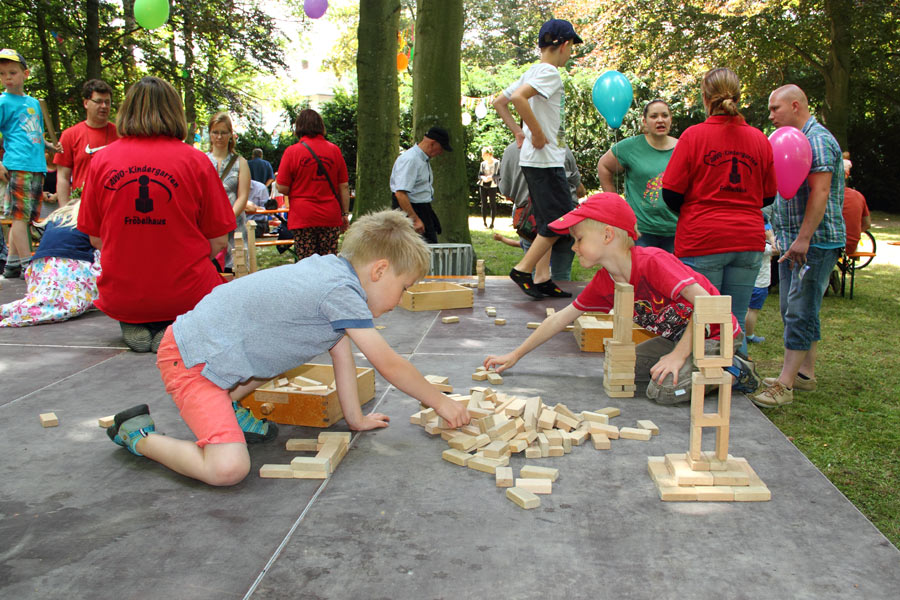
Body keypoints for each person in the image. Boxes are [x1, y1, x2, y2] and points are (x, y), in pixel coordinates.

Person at [102, 210, 470, 487]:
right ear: (379, 271)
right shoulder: (341, 293)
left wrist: (355, 420)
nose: (401, 299)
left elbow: (341, 353)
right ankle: (139, 436)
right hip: (192, 361)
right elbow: (389, 364)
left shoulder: (333, 274)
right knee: (229, 468)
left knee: (287, 345)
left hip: (212, 350)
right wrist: (441, 401)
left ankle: (228, 406)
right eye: (404, 287)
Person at [483, 193, 760, 405]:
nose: (574, 246)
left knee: (663, 391)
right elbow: (559, 320)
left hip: (715, 334)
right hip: (680, 338)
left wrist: (678, 356)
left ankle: (733, 368)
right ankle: (688, 363)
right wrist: (515, 355)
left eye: (578, 238)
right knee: (624, 370)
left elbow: (707, 305)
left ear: (607, 235)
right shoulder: (605, 281)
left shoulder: (654, 263)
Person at [77, 76, 235, 353]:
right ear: (175, 111)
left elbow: (95, 237)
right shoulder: (196, 162)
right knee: (213, 295)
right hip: (185, 291)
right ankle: (172, 325)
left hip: (123, 292)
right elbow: (219, 241)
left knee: (134, 296)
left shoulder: (101, 161)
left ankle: (135, 319)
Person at [662, 67, 776, 358]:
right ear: (738, 96)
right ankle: (736, 382)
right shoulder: (759, 140)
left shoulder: (693, 136)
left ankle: (697, 383)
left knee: (699, 318)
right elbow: (768, 195)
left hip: (703, 237)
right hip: (747, 239)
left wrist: (695, 210)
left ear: (704, 96)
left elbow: (671, 193)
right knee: (734, 319)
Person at [751, 84, 846, 408]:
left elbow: (819, 193)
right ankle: (805, 373)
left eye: (775, 108)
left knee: (798, 309)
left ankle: (786, 384)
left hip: (814, 242)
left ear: (795, 105)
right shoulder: (794, 140)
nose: (771, 115)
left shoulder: (816, 140)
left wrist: (803, 239)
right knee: (800, 307)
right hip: (798, 240)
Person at [492, 19, 583, 299]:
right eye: (571, 48)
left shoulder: (532, 71)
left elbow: (499, 101)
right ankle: (523, 270)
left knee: (547, 221)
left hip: (536, 160)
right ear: (564, 45)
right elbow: (518, 98)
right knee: (561, 220)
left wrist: (519, 131)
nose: (571, 55)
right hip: (546, 160)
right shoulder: (550, 73)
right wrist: (537, 133)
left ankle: (542, 277)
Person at [0, 49, 58, 280]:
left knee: (25, 216)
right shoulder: (3, 102)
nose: (7, 77)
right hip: (17, 165)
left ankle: (12, 264)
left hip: (37, 166)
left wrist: (51, 147)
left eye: (12, 72)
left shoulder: (33, 102)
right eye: (3, 73)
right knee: (20, 217)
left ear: (25, 74)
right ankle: (28, 266)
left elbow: (35, 134)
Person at [1, 199, 100, 327]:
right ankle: (19, 311)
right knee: (63, 305)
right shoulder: (91, 217)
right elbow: (100, 245)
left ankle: (15, 310)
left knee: (48, 299)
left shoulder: (59, 216)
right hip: (68, 266)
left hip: (40, 267)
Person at [497, 139, 583, 285]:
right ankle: (550, 297)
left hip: (530, 218)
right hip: (564, 217)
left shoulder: (511, 151)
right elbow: (576, 183)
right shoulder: (560, 145)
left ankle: (531, 283)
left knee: (535, 271)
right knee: (560, 273)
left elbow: (506, 190)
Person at [597, 99, 678, 253]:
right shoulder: (631, 147)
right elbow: (604, 166)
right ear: (645, 121)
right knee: (641, 276)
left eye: (664, 115)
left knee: (671, 276)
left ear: (670, 119)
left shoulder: (682, 147)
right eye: (654, 116)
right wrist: (614, 203)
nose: (660, 120)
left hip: (675, 231)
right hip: (641, 232)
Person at [276, 108, 350, 259]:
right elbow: (344, 186)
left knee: (307, 265)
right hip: (329, 216)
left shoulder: (292, 152)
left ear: (298, 127)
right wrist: (344, 214)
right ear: (320, 126)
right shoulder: (334, 150)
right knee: (328, 262)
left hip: (303, 217)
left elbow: (282, 187)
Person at [53, 79, 118, 207]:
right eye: (99, 101)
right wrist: (64, 210)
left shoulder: (120, 134)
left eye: (107, 102)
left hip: (112, 203)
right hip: (80, 205)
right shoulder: (70, 135)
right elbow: (63, 177)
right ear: (86, 103)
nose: (104, 106)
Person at [390, 126, 452, 244]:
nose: (441, 152)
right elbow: (400, 194)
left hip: (423, 208)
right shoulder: (410, 159)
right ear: (433, 143)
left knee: (429, 251)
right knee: (417, 253)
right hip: (410, 210)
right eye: (441, 148)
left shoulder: (423, 160)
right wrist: (414, 220)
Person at [206, 112, 250, 273]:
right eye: (215, 132)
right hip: (209, 228)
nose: (219, 137)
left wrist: (226, 221)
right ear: (210, 134)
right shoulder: (202, 160)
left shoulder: (240, 162)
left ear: (230, 135)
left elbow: (243, 196)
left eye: (223, 132)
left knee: (236, 270)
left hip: (235, 226)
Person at [744, 221, 778, 344]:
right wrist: (772, 239)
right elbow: (777, 250)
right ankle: (748, 335)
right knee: (753, 310)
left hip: (747, 281)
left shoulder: (747, 243)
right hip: (760, 284)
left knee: (744, 309)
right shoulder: (764, 247)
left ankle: (741, 332)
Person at [841, 159, 870, 255]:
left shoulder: (827, 196)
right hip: (850, 246)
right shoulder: (858, 195)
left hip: (831, 245)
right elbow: (867, 224)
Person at [478, 146, 499, 228]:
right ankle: (484, 222)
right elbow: (479, 175)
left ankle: (492, 223)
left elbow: (498, 175)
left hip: (492, 185)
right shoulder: (482, 164)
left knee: (492, 203)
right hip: (483, 185)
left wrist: (490, 177)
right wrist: (483, 178)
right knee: (483, 203)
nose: (482, 156)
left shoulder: (496, 162)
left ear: (488, 154)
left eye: (483, 155)